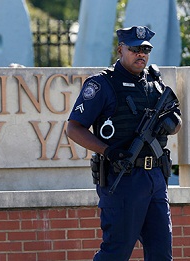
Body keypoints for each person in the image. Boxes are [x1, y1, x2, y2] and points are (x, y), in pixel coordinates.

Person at [66, 26, 182, 260]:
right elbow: (74, 129)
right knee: (116, 253)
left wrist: (172, 122)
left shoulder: (155, 82)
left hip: (156, 178)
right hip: (123, 178)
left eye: (146, 49)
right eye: (135, 49)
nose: (142, 54)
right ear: (121, 49)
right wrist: (108, 151)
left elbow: (176, 122)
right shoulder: (102, 84)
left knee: (161, 253)